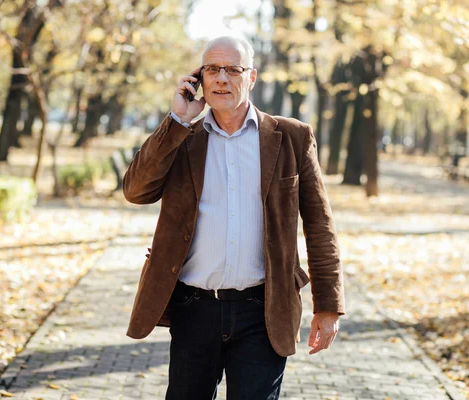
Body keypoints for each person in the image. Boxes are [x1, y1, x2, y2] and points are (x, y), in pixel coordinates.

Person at [122, 36, 345, 400]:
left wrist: (328, 305)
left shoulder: (291, 137)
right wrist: (177, 119)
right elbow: (136, 191)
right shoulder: (182, 137)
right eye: (212, 69)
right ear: (200, 79)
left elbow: (320, 226)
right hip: (193, 310)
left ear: (251, 77)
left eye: (232, 69)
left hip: (263, 310)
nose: (221, 78)